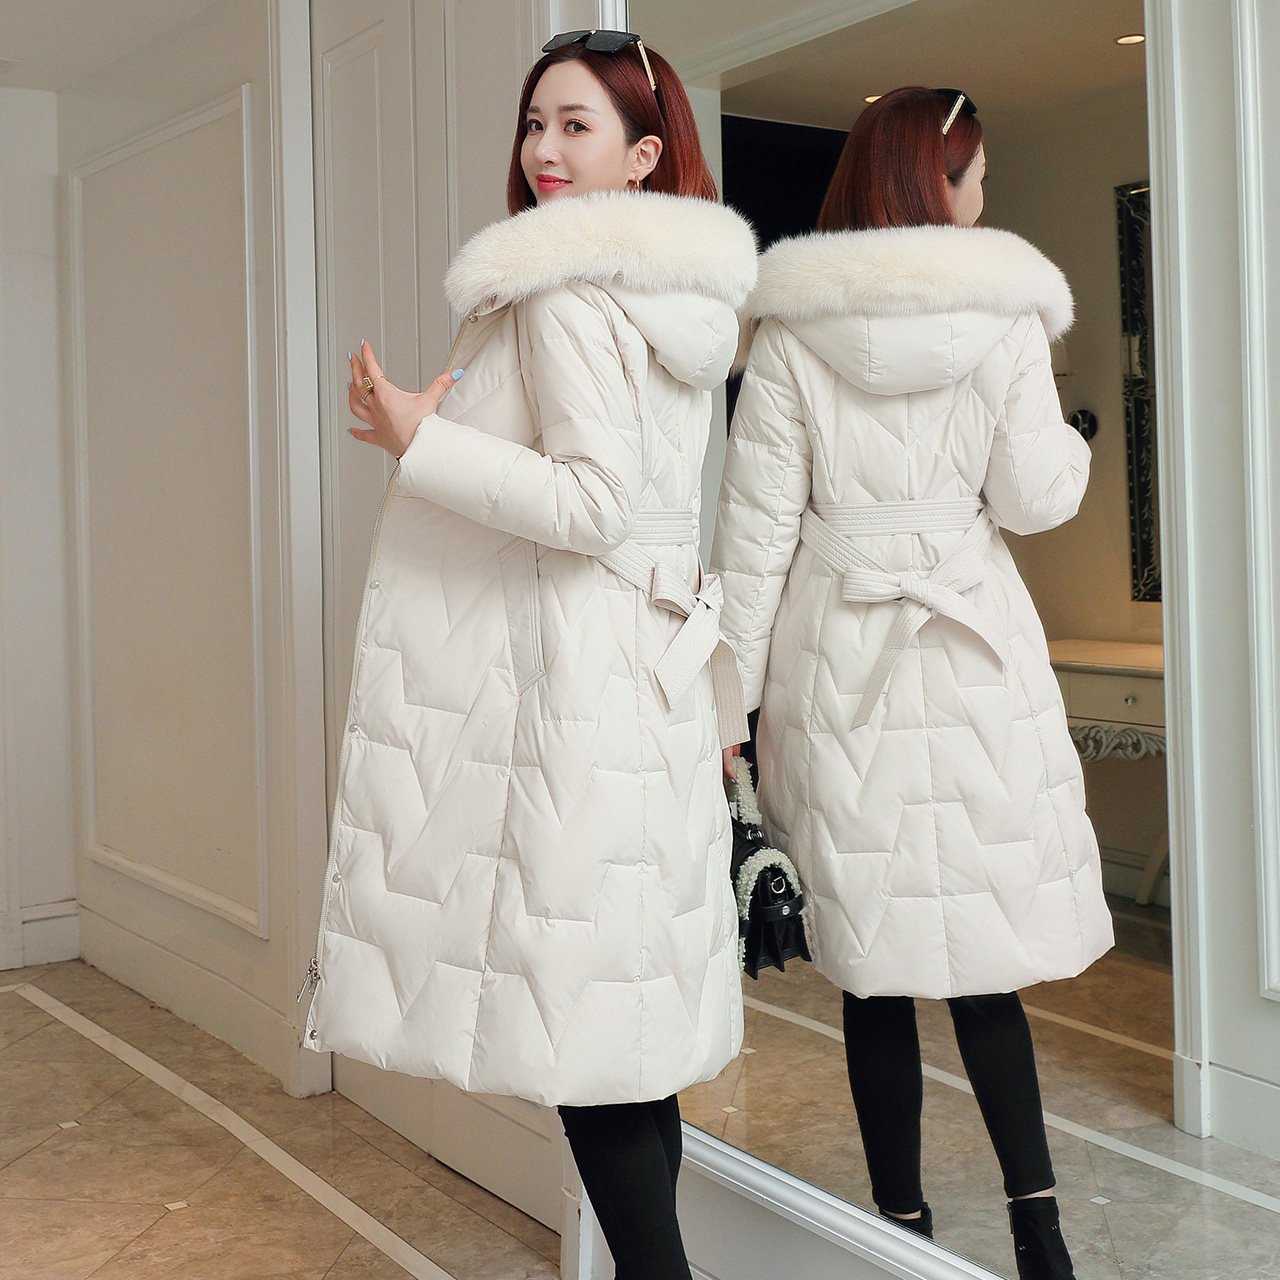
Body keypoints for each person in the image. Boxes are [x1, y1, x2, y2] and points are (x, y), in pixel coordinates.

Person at [300, 32, 757, 1280]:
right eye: (533, 123)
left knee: (582, 1038)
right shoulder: (672, 298)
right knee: (623, 1034)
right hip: (646, 678)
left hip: (577, 688)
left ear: (643, 155)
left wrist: (421, 440)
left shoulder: (560, 287)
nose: (543, 150)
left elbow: (593, 504)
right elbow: (646, 500)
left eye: (575, 126)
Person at [711, 86, 1113, 1280]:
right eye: (973, 175)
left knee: (872, 969)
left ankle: (897, 1235)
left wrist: (728, 706)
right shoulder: (1001, 317)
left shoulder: (787, 332)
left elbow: (753, 537)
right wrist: (1069, 438)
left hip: (838, 666)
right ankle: (1040, 1237)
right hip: (970, 653)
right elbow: (1035, 497)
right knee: (984, 972)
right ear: (937, 184)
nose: (983, 197)